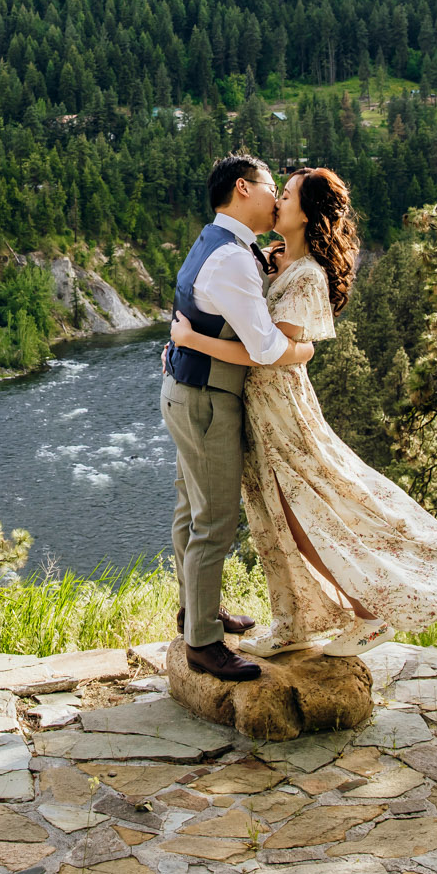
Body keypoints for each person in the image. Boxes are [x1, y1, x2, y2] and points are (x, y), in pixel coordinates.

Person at [171, 167, 437, 658]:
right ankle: (293, 620)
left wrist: (190, 341)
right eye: (276, 191)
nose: (277, 202)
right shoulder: (279, 262)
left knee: (303, 511)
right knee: (271, 518)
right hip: (257, 405)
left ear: (305, 212)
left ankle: (369, 613)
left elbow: (277, 350)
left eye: (285, 196)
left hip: (280, 407)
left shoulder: (306, 275)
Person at [160, 154, 316, 682]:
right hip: (206, 399)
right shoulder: (230, 258)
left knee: (191, 511)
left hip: (185, 391)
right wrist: (305, 352)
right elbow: (267, 347)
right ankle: (203, 644)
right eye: (273, 188)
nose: (277, 198)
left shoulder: (223, 243)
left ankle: (195, 613)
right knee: (214, 523)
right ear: (245, 189)